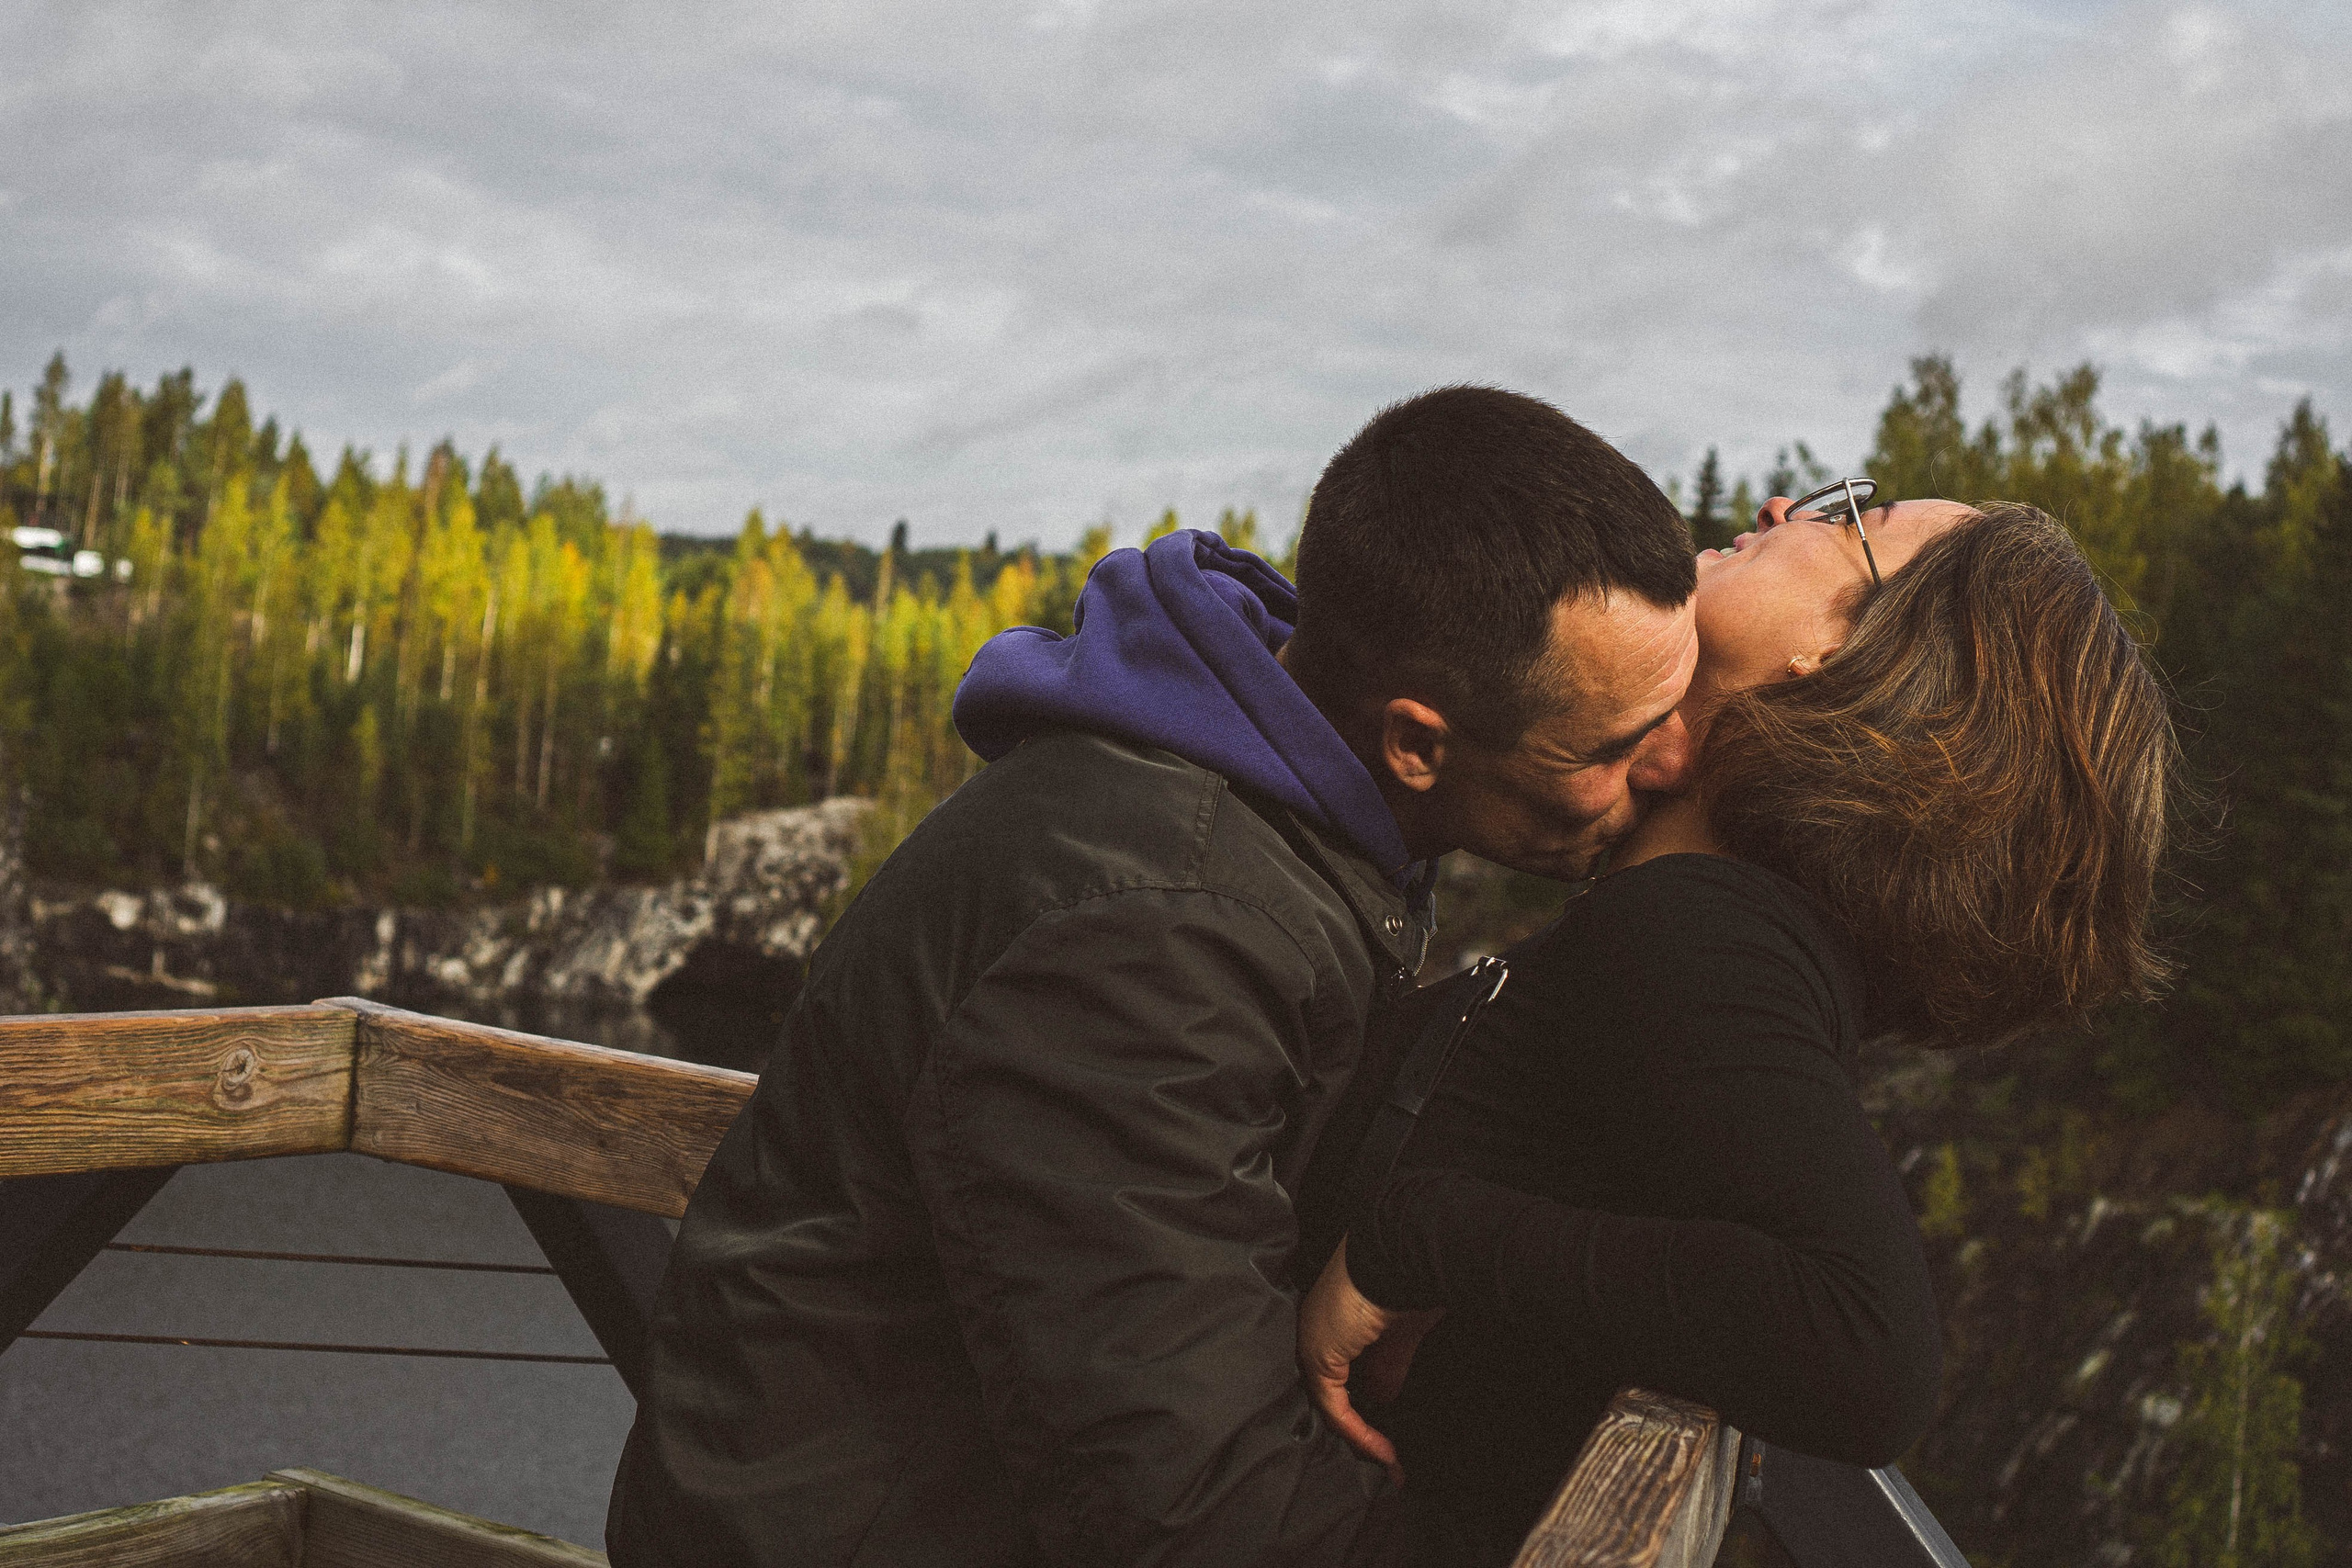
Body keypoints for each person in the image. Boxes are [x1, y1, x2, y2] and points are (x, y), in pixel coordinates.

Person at [605, 386, 1702, 1567]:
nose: (1673, 762)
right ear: (1417, 744)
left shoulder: (1266, 814)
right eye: (1611, 747)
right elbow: (1185, 1493)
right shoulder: (1151, 934)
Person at [1298, 492, 2180, 1566]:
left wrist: (1422, 1237)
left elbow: (1864, 1353)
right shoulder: (1725, 930)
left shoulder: (1701, 932)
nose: (1783, 502)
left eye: (1861, 511)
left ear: (1852, 663)